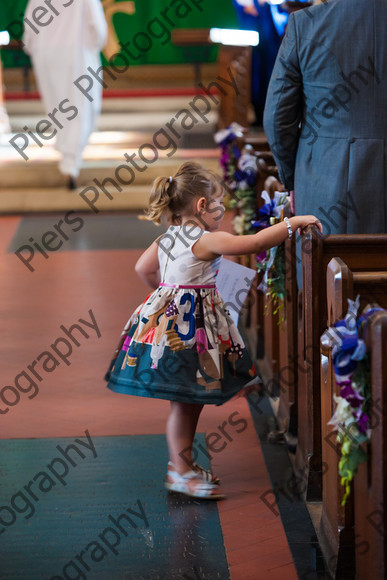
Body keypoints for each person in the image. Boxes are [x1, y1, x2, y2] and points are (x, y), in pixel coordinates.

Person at [105, 161, 322, 499]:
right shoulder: (205, 240)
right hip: (190, 334)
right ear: (202, 206)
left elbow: (142, 268)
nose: (222, 211)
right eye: (219, 204)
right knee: (184, 403)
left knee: (189, 400)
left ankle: (184, 464)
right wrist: (292, 223)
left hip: (172, 328)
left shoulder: (167, 238)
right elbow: (253, 244)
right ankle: (180, 470)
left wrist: (168, 292)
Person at [263, 0, 387, 235]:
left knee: (323, 268)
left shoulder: (305, 24)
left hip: (326, 184)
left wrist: (291, 180)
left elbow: (277, 119)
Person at [23, 0, 107, 189]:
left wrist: (34, 48)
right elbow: (98, 30)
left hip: (45, 53)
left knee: (56, 107)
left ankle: (67, 152)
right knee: (80, 107)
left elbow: (30, 25)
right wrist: (93, 46)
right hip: (76, 52)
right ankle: (71, 162)